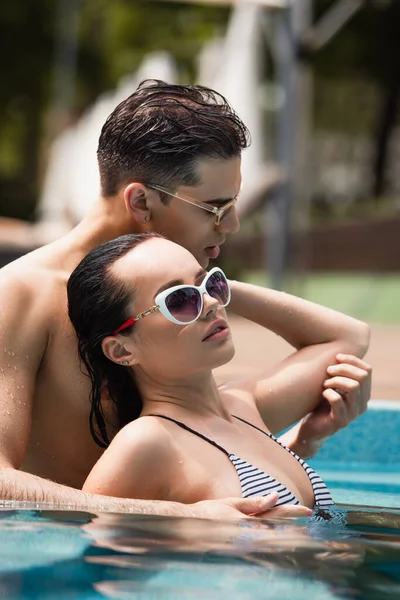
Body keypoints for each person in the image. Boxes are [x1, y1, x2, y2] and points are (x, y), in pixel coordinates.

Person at [0, 80, 370, 518]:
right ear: (141, 201)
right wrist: (182, 516)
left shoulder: (190, 305)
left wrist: (207, 285)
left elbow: (349, 339)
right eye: (214, 208)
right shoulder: (20, 295)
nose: (231, 224)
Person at [67, 233, 370, 512]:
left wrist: (307, 442)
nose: (212, 304)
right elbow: (92, 556)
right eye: (180, 300)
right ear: (122, 350)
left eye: (213, 284)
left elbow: (350, 336)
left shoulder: (245, 404)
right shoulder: (145, 442)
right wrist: (192, 527)